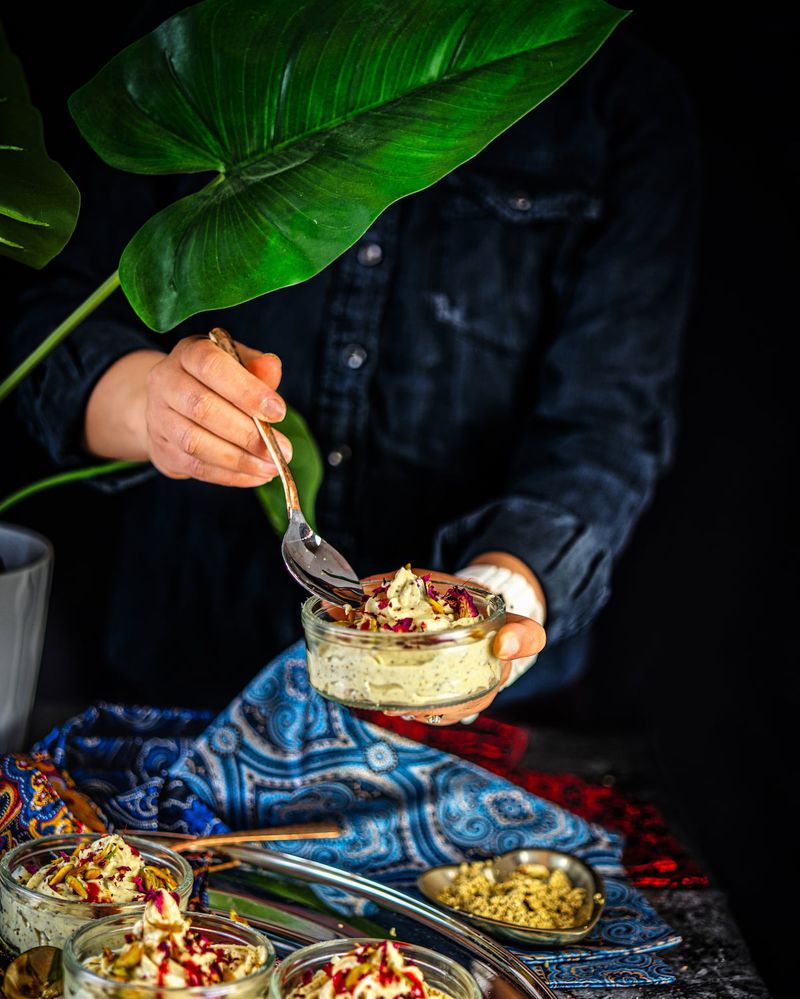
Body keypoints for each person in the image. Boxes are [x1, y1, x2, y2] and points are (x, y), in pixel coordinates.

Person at [12, 17, 698, 720]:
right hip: (191, 663)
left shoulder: (616, 92)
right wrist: (153, 405)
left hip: (479, 716)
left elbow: (610, 421)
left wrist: (490, 603)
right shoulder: (194, 47)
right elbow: (46, 322)